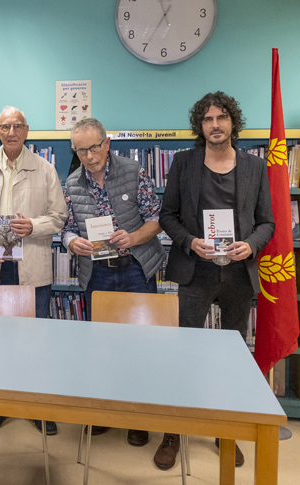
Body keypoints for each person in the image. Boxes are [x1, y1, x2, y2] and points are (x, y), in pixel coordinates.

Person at [158, 91, 275, 470]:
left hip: (238, 274)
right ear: (200, 125)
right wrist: (190, 241)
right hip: (196, 270)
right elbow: (167, 216)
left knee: (234, 355)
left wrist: (251, 246)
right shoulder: (183, 163)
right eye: (207, 119)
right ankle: (174, 432)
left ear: (232, 123)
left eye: (221, 117)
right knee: (185, 354)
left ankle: (226, 431)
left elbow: (268, 223)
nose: (215, 125)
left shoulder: (255, 167)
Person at [0, 106, 67, 436]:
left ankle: (37, 407)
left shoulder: (45, 169)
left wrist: (32, 225)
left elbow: (59, 217)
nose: (11, 132)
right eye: (5, 127)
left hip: (32, 267)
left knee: (36, 340)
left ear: (26, 130)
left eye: (17, 126)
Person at [61, 118, 166, 446]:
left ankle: (138, 419)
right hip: (98, 272)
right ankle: (106, 413)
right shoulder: (72, 183)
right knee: (102, 347)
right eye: (81, 150)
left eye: (94, 147)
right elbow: (66, 227)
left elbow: (157, 219)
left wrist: (133, 237)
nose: (89, 156)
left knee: (140, 347)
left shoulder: (134, 172)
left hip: (136, 268)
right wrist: (70, 243)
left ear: (107, 144)